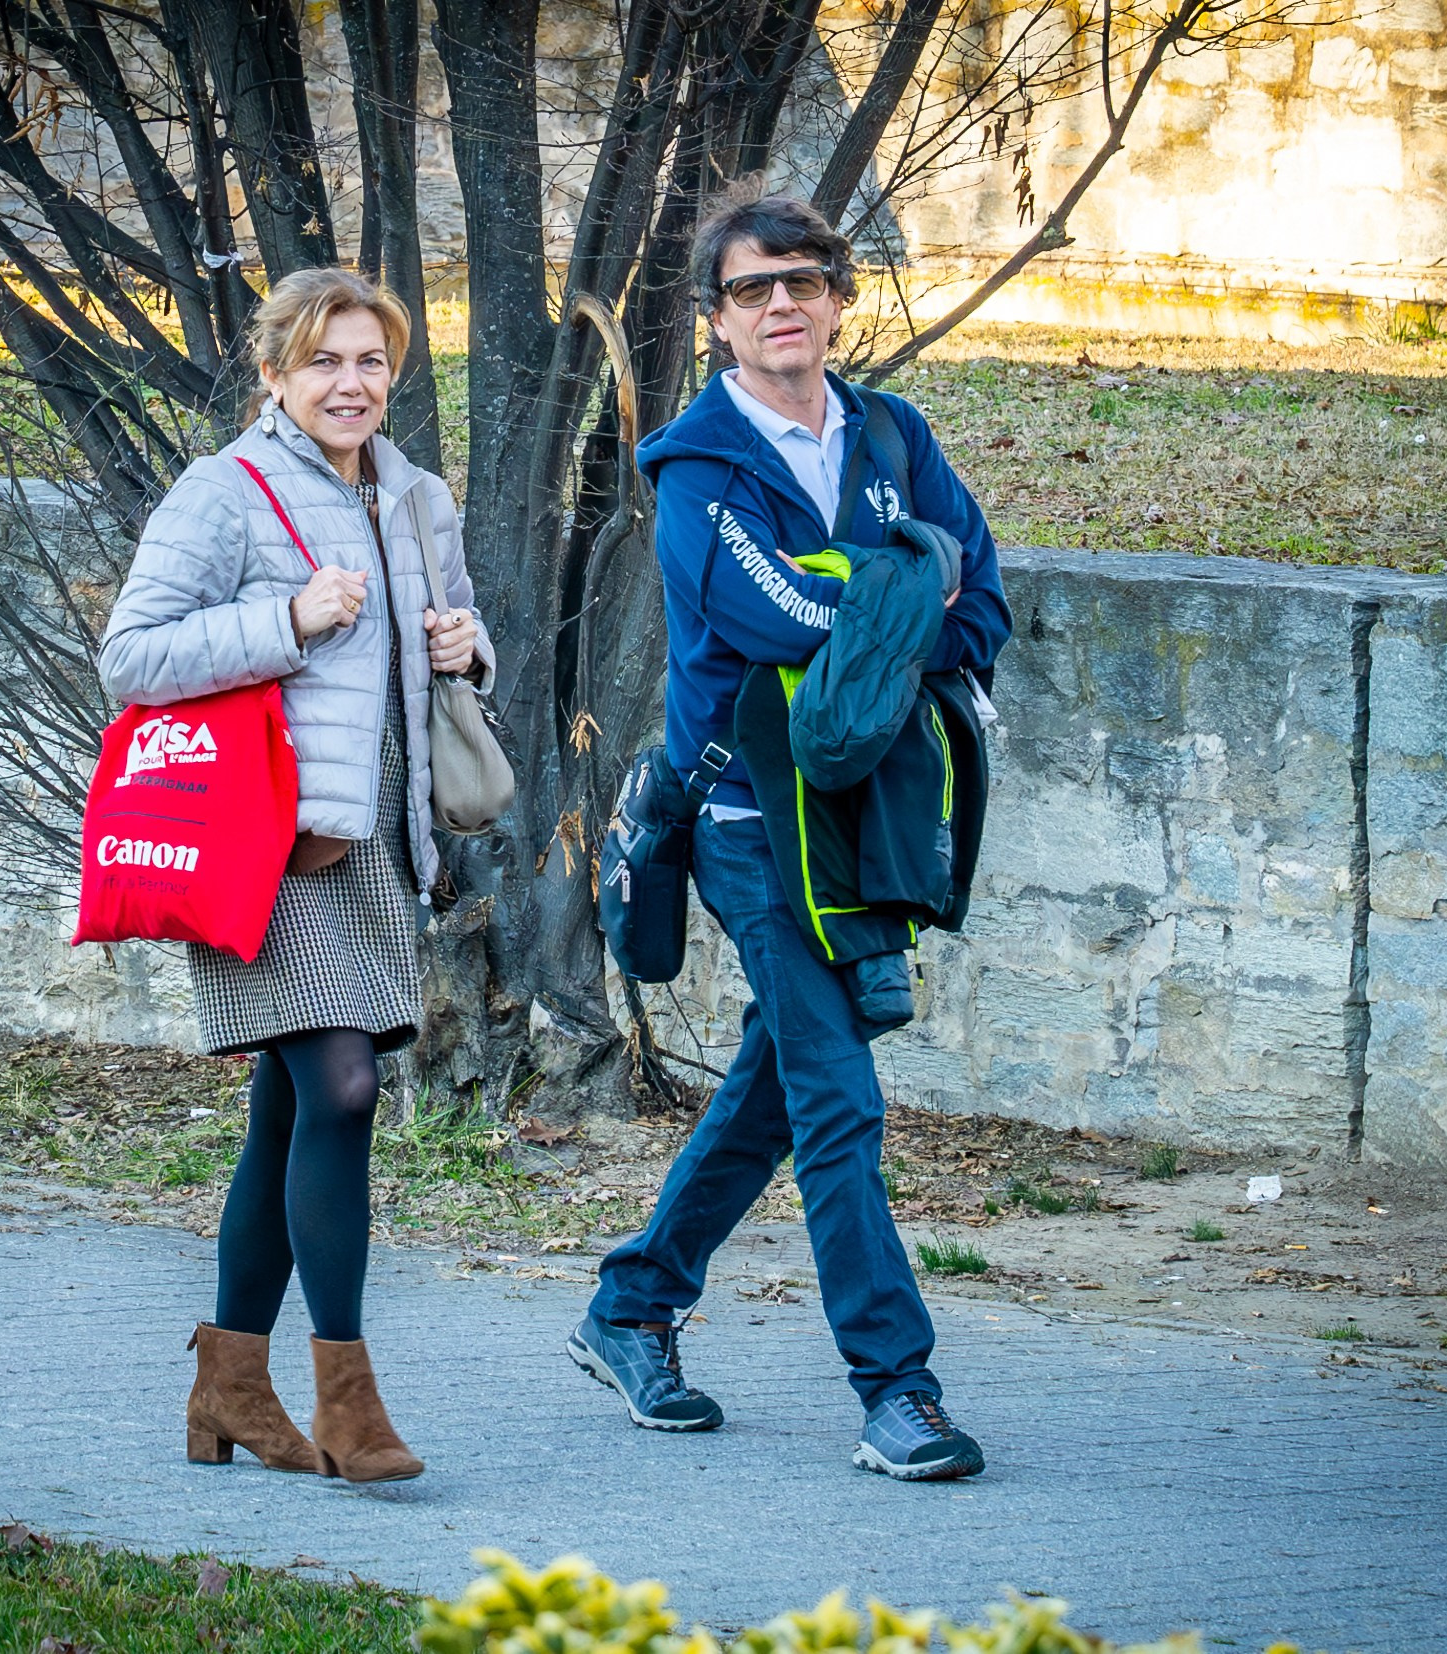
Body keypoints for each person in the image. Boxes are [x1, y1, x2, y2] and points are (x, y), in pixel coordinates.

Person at [568, 190, 1011, 1481]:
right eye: (755, 288)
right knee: (836, 1095)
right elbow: (763, 614)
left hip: (869, 818)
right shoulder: (699, 466)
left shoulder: (890, 431)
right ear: (716, 319)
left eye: (804, 282)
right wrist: (889, 592)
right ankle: (898, 1388)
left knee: (781, 1076)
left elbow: (975, 586)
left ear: (836, 299)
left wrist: (893, 604)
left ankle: (632, 1301)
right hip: (749, 824)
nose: (782, 305)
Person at [98, 267, 491, 1485]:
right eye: (324, 361)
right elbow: (132, 655)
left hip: (373, 844)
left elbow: (447, 658)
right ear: (274, 376)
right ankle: (348, 1399)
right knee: (343, 1089)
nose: (351, 383)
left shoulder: (420, 498)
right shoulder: (226, 492)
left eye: (371, 361)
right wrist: (290, 618)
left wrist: (467, 651)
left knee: (289, 1113)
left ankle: (225, 1388)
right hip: (266, 851)